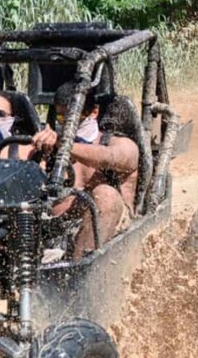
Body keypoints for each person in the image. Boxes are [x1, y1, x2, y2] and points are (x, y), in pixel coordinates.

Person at [32, 81, 139, 257]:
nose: (67, 123)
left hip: (109, 229)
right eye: (60, 117)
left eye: (74, 116)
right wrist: (37, 150)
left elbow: (112, 157)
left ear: (94, 112)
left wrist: (64, 144)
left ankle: (77, 273)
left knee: (106, 194)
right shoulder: (49, 147)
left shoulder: (117, 143)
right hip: (53, 229)